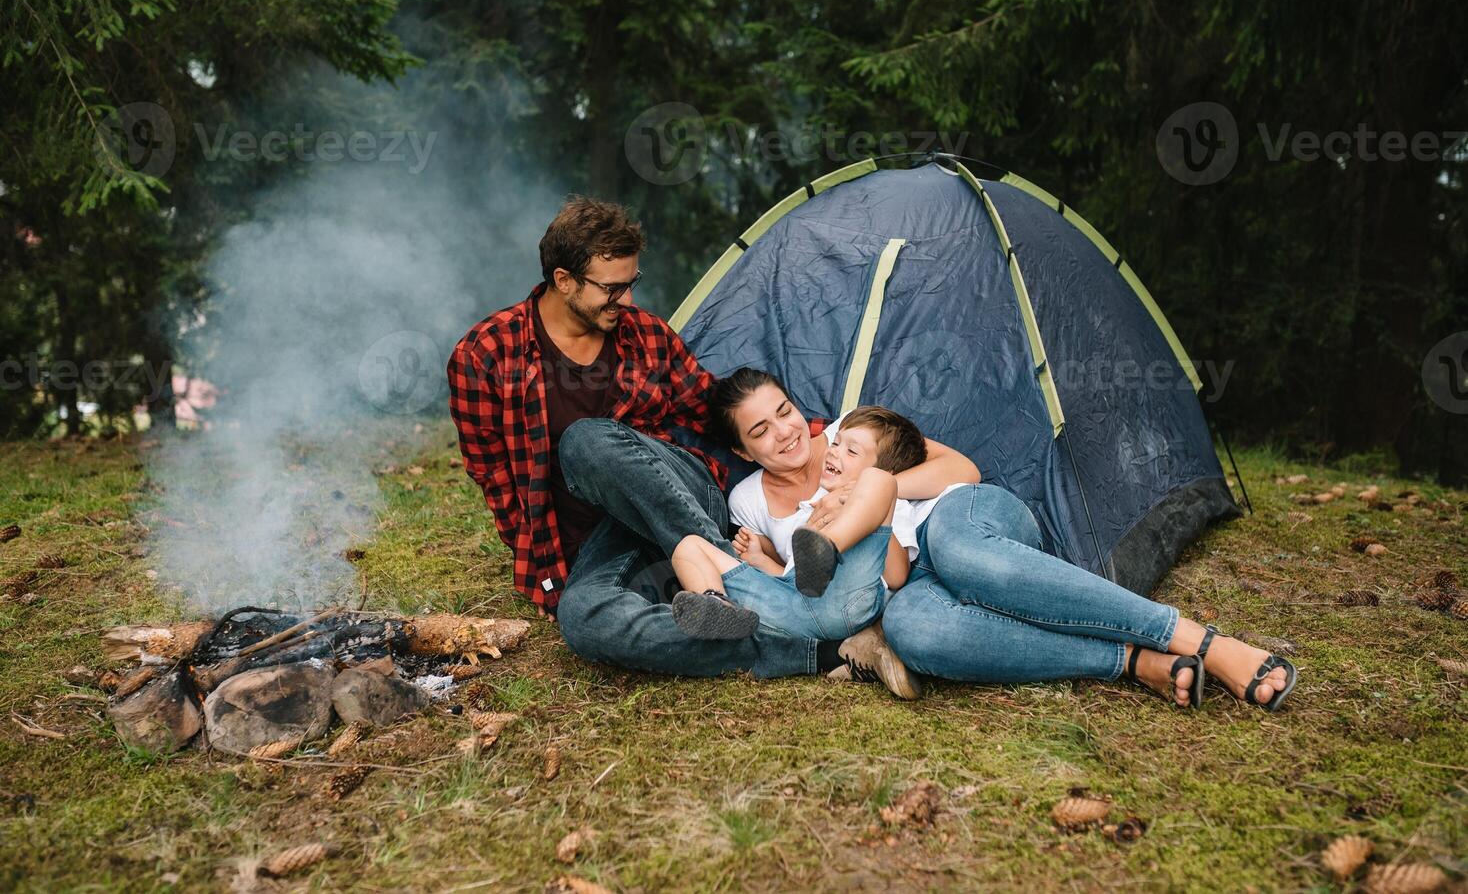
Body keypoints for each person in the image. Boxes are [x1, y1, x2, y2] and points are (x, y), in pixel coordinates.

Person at [447, 197, 912, 689]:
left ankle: (730, 589)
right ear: (564, 280)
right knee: (583, 619)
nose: (625, 300)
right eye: (612, 288)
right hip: (602, 536)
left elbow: (713, 409)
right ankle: (817, 649)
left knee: (585, 442)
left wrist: (815, 435)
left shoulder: (644, 335)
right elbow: (494, 476)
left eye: (632, 284)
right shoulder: (485, 356)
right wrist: (543, 570)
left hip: (683, 499)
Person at [711, 368, 1299, 711]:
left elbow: (960, 470)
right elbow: (813, 583)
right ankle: (1131, 661)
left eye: (784, 411)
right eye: (760, 430)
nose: (785, 432)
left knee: (962, 553)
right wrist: (765, 561)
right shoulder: (750, 504)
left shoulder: (846, 433)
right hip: (903, 579)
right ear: (741, 451)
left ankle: (1202, 641)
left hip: (962, 517)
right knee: (918, 634)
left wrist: (876, 486)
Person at [667, 405, 932, 642]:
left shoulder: (886, 500)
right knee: (688, 546)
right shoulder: (813, 508)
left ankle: (830, 547)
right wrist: (761, 561)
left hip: (850, 603)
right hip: (793, 610)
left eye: (851, 451)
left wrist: (868, 520)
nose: (833, 452)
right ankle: (719, 608)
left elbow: (896, 576)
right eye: (836, 443)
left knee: (881, 484)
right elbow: (794, 583)